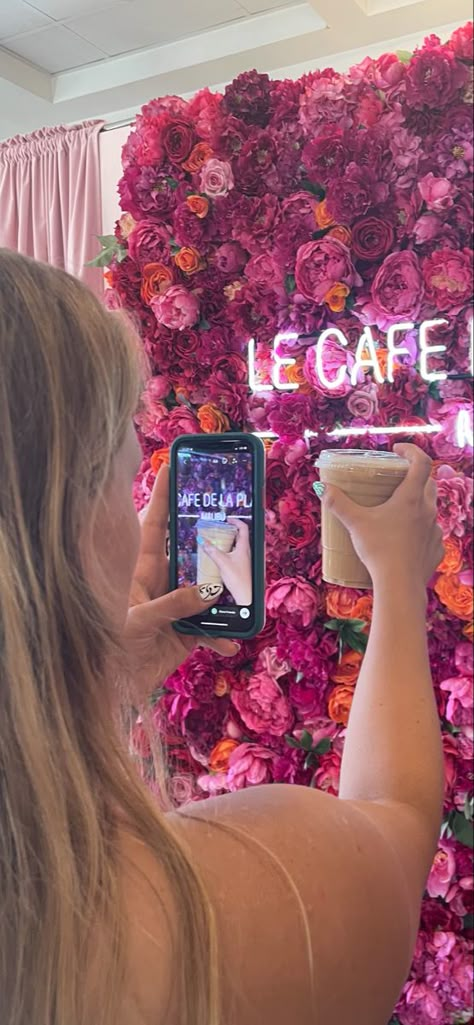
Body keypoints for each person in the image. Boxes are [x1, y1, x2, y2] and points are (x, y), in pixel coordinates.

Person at [0, 249, 445, 1025]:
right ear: (69, 529)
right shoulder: (213, 913)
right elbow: (397, 826)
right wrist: (403, 587)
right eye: (121, 468)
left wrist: (85, 673)